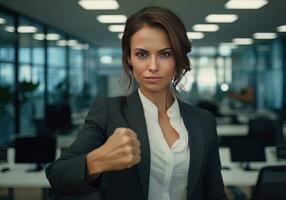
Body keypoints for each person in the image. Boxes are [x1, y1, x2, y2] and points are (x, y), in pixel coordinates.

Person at [46, 7, 228, 200]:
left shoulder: (204, 120)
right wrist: (97, 160)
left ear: (178, 58)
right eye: (142, 54)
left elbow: (215, 194)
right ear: (129, 58)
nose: (153, 66)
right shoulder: (109, 112)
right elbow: (57, 175)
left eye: (165, 54)